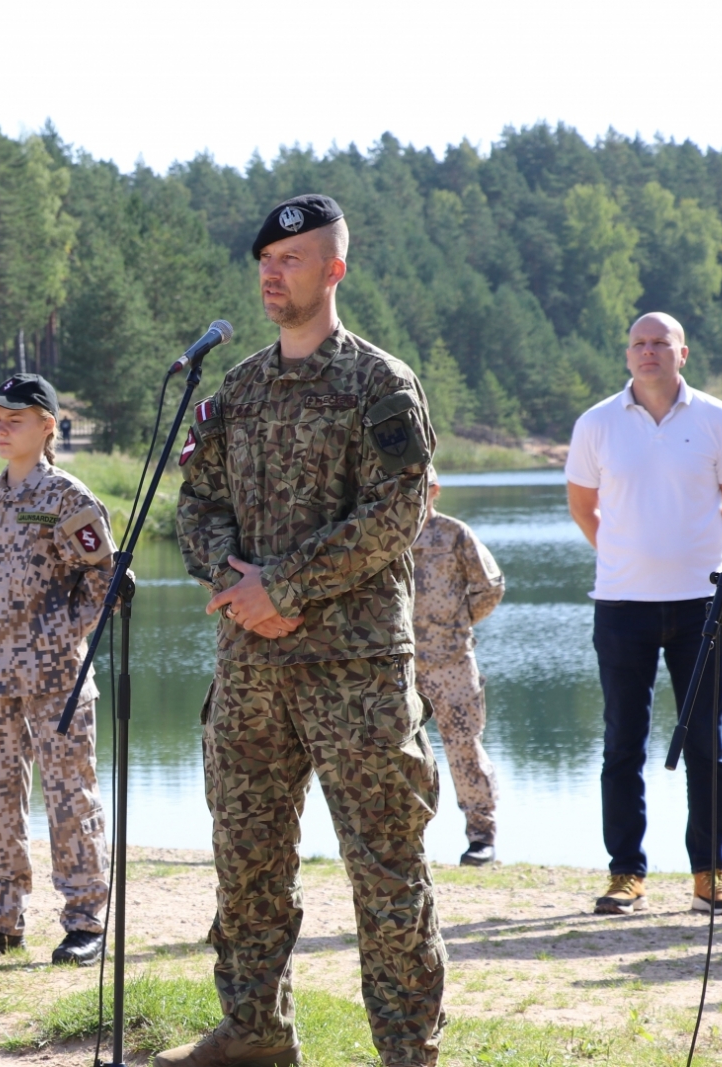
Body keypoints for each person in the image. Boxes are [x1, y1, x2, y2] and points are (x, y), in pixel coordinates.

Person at [167, 194, 441, 1067]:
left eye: (292, 258)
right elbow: (197, 505)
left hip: (354, 673)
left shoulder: (378, 384)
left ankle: (406, 1052)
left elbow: (398, 512)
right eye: (265, 259)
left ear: (334, 270)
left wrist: (284, 586)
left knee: (385, 873)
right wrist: (234, 583)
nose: (271, 271)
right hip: (250, 673)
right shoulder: (238, 389)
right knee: (247, 863)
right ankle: (255, 1033)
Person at [565, 311, 722, 918]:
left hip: (701, 607)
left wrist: (688, 560)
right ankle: (625, 875)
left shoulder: (719, 419)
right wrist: (629, 558)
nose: (648, 352)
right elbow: (583, 507)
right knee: (623, 743)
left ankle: (710, 875)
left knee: (707, 746)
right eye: (638, 344)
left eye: (659, 343)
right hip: (621, 608)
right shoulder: (596, 424)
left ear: (683, 353)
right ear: (628, 355)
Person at [0, 372, 115, 966]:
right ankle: (0, 918)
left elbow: (106, 579)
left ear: (47, 426)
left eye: (14, 418)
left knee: (71, 800)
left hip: (56, 681)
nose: (1, 426)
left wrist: (62, 632)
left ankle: (85, 920)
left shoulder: (69, 499)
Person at [413, 466, 505, 867]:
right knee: (396, 754)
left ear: (435, 489)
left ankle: (481, 837)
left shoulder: (454, 534)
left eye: (419, 486)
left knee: (464, 748)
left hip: (451, 662)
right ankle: (403, 839)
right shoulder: (383, 537)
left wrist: (457, 621)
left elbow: (490, 585)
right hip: (396, 665)